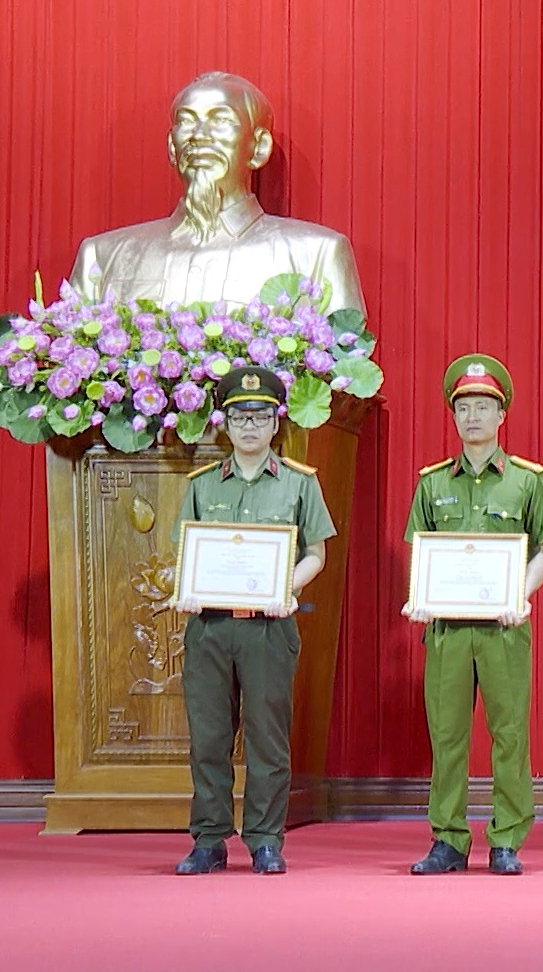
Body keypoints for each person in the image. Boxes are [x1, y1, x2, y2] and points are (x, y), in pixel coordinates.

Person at [170, 365, 335, 875]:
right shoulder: (202, 485)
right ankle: (210, 838)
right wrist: (189, 589)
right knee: (210, 737)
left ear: (275, 422)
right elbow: (186, 553)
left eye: (260, 416)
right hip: (211, 628)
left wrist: (288, 586)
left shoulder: (298, 485)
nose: (249, 426)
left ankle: (266, 838)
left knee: (268, 737)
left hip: (268, 626)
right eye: (239, 416)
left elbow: (316, 553)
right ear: (224, 422)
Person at [401, 355, 543, 876]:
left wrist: (521, 594)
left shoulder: (527, 482)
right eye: (463, 407)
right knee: (446, 736)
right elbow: (420, 554)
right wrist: (419, 595)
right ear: (453, 416)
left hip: (504, 629)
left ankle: (506, 838)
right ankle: (447, 838)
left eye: (483, 406)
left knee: (509, 733)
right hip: (447, 630)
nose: (473, 416)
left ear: (501, 415)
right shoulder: (431, 484)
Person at [69, 71, 365, 315]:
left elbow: (342, 376)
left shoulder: (316, 255)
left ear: (258, 147)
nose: (199, 135)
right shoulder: (104, 256)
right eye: (186, 121)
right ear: (172, 148)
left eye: (220, 120)